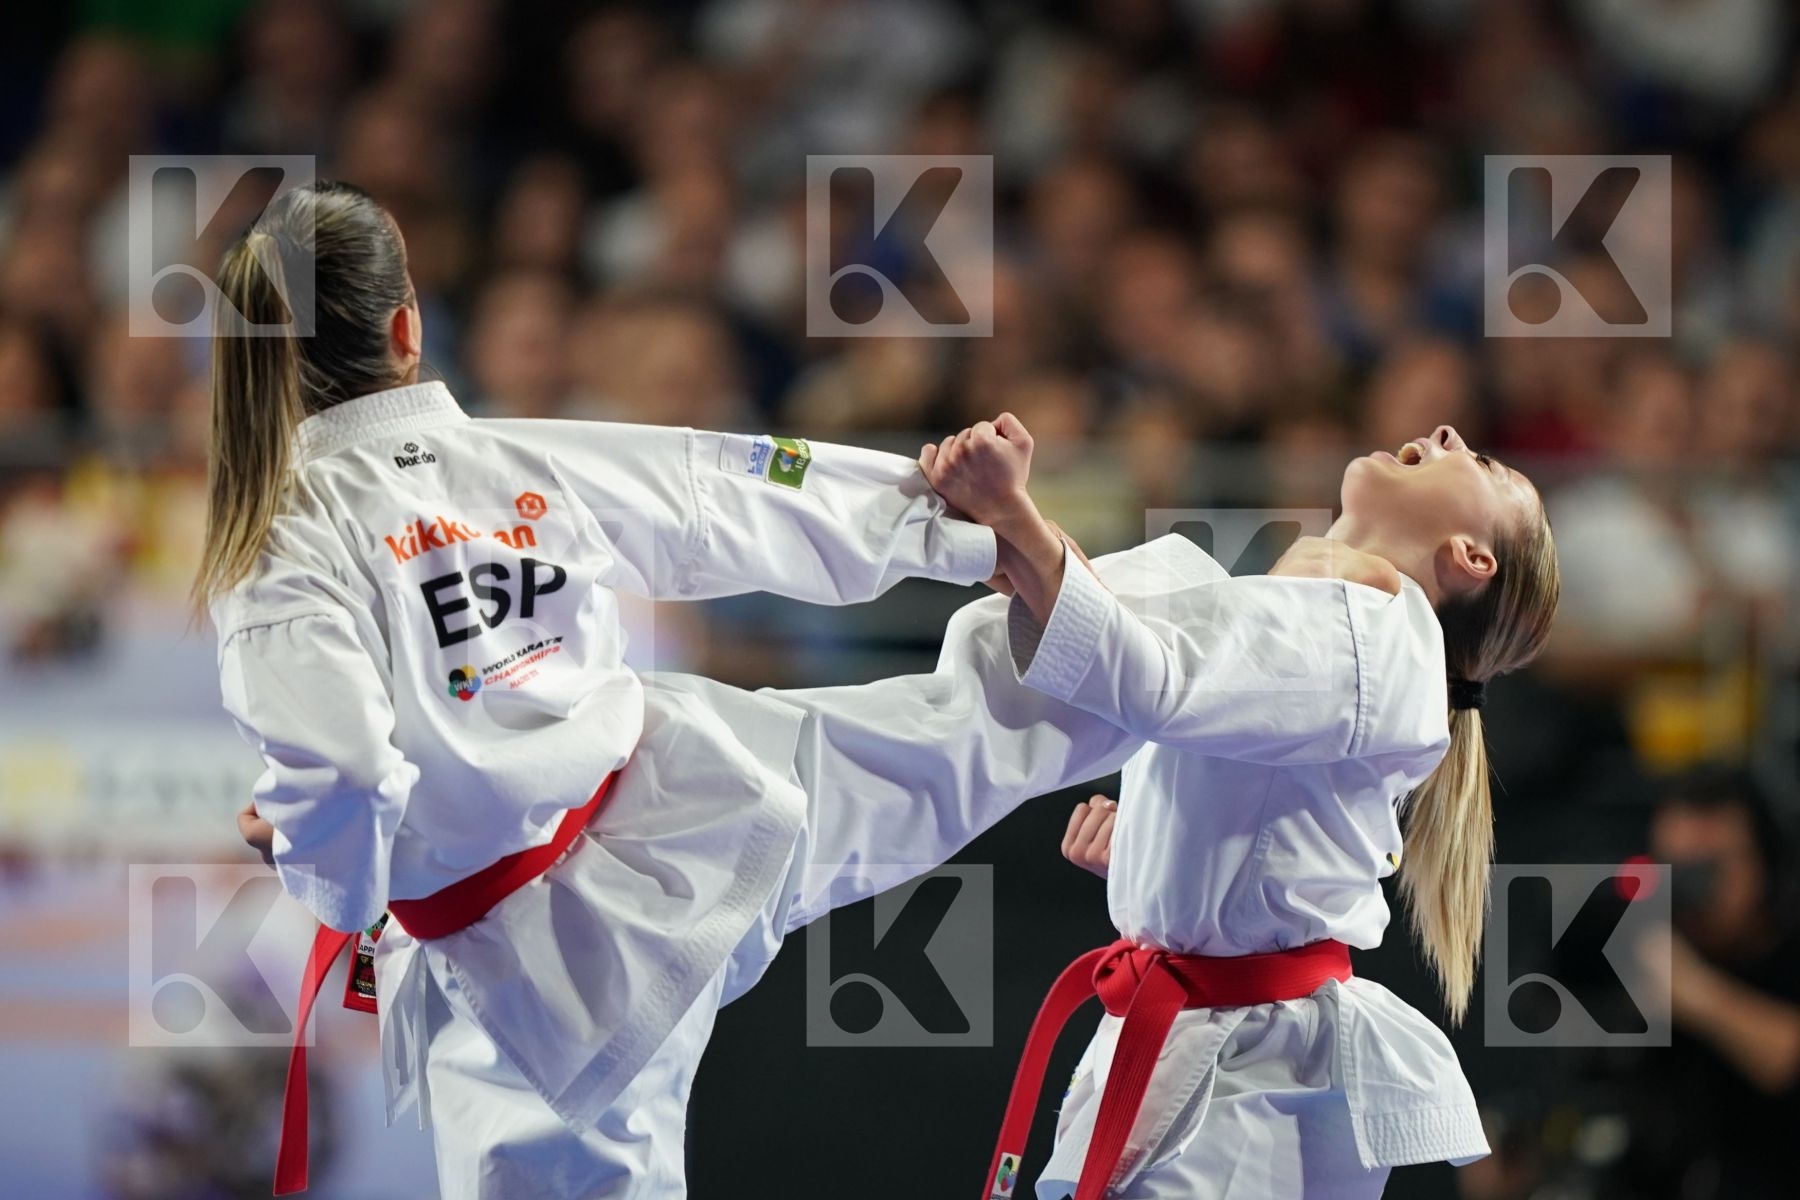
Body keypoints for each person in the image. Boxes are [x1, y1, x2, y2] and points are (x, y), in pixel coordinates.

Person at [204, 181, 1140, 1199]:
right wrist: (953, 526)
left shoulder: (278, 543)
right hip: (696, 800)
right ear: (407, 326)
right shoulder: (517, 455)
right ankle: (1187, 645)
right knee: (965, 733)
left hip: (547, 969)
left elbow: (345, 772)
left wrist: (315, 856)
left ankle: (1159, 654)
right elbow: (718, 493)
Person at [920, 416, 1560, 1199]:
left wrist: (1018, 520)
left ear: (1471, 558)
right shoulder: (1335, 622)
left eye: (1482, 460)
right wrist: (1167, 860)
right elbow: (1149, 660)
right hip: (1214, 1061)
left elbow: (1148, 678)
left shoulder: (1382, 632)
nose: (1449, 431)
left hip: (1248, 1087)